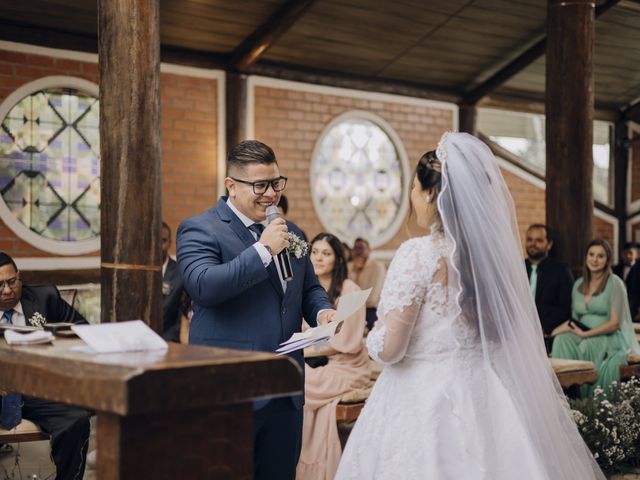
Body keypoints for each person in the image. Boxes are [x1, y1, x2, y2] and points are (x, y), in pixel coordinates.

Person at [335, 133, 605, 479]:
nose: (413, 198)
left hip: (421, 397)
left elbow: (390, 349)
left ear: (432, 194)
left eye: (416, 188)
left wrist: (368, 337)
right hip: (483, 392)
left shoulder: (418, 254)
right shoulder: (488, 261)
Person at [176, 140, 334, 480]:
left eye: (276, 183)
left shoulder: (291, 233)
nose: (271, 194)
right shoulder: (200, 228)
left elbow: (308, 289)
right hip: (230, 390)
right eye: (260, 185)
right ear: (231, 186)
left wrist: (322, 312)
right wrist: (262, 251)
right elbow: (203, 286)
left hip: (286, 389)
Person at [0, 252, 90, 480]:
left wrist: (54, 343)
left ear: (19, 277)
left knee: (76, 419)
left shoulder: (44, 297)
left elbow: (83, 332)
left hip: (37, 389)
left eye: (12, 282)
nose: (8, 291)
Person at [296, 233, 370, 480]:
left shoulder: (350, 290)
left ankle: (316, 466)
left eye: (325, 253)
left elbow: (344, 342)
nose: (318, 258)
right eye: (314, 252)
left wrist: (301, 348)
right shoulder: (306, 289)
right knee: (293, 378)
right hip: (317, 363)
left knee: (300, 384)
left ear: (338, 260)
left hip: (346, 365)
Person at [551, 239, 640, 397]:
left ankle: (589, 401)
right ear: (586, 257)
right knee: (561, 340)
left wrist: (586, 335)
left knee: (587, 344)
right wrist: (554, 332)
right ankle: (567, 395)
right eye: (591, 254)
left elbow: (614, 323)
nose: (595, 259)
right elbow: (574, 320)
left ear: (607, 260)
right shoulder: (578, 284)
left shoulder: (615, 283)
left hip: (608, 337)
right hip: (582, 332)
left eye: (600, 256)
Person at [524, 224, 574, 352]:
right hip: (518, 333)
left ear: (549, 244)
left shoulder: (561, 271)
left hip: (548, 335)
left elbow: (567, 307)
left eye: (539, 240)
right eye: (529, 239)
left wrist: (544, 328)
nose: (533, 244)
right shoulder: (517, 268)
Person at [347, 238, 385, 330]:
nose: (358, 252)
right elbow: (345, 291)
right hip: (351, 312)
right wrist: (355, 271)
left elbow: (372, 298)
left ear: (369, 250)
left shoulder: (377, 267)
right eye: (355, 248)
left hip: (370, 312)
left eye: (361, 248)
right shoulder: (349, 266)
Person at [161, 221, 186, 342]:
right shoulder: (138, 272)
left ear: (170, 243)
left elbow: (182, 313)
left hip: (170, 340)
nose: (158, 245)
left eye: (163, 240)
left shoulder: (180, 273)